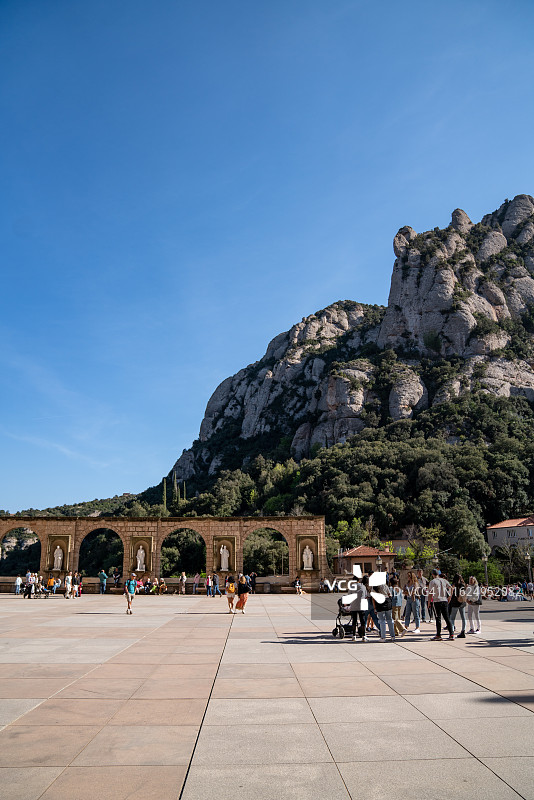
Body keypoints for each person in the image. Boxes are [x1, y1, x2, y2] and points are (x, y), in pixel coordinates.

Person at [429, 568, 454, 640]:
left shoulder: (433, 581)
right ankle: (451, 634)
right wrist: (450, 596)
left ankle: (438, 634)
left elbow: (430, 593)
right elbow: (451, 588)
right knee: (447, 617)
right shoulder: (444, 580)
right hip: (444, 600)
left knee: (438, 618)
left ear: (433, 574)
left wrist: (429, 602)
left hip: (437, 601)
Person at [449, 574, 467, 638]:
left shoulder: (454, 585)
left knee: (452, 618)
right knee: (463, 617)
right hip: (462, 602)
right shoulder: (463, 585)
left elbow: (451, 593)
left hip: (455, 602)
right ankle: (463, 631)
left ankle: (452, 632)